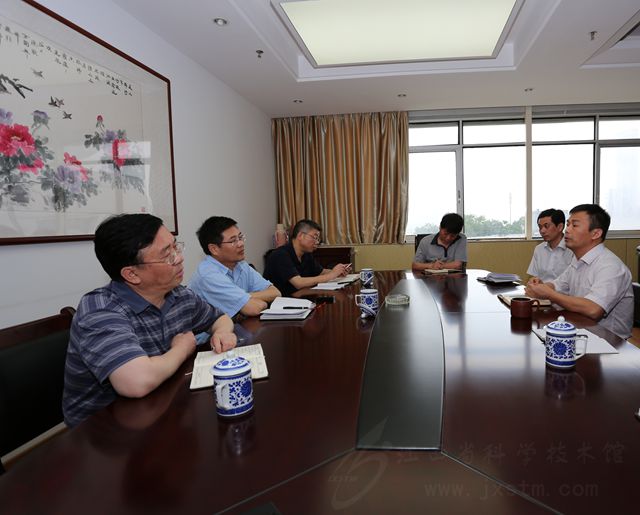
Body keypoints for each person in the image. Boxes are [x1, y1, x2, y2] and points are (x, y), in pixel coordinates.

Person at [63, 214, 236, 427]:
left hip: (163, 410)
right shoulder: (100, 309)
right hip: (101, 432)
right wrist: (182, 348)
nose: (179, 258)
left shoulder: (178, 294)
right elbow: (137, 382)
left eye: (176, 247)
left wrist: (222, 332)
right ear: (132, 274)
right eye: (167, 255)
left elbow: (220, 318)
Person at [525, 204, 633, 339]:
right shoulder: (578, 261)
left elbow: (593, 309)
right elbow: (558, 284)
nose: (567, 230)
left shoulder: (611, 266)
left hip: (609, 342)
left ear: (596, 234)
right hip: (581, 332)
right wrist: (539, 286)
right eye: (568, 224)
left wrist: (549, 294)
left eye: (574, 225)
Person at [189, 216, 280, 318]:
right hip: (212, 329)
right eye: (233, 241)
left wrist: (243, 297)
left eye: (240, 238)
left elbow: (275, 292)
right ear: (214, 249)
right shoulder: (208, 275)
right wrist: (247, 299)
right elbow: (255, 308)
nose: (241, 244)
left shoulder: (241, 265)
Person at [263, 219, 350, 296]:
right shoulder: (280, 254)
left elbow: (321, 272)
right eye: (315, 237)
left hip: (301, 297)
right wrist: (332, 275)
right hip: (280, 302)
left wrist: (338, 271)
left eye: (318, 239)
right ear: (301, 235)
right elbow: (298, 283)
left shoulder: (306, 254)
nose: (317, 242)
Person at [527, 208, 573, 282]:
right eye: (540, 227)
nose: (542, 231)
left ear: (560, 227)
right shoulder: (539, 249)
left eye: (546, 226)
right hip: (541, 289)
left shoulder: (573, 249)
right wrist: (532, 281)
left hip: (563, 290)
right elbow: (532, 276)